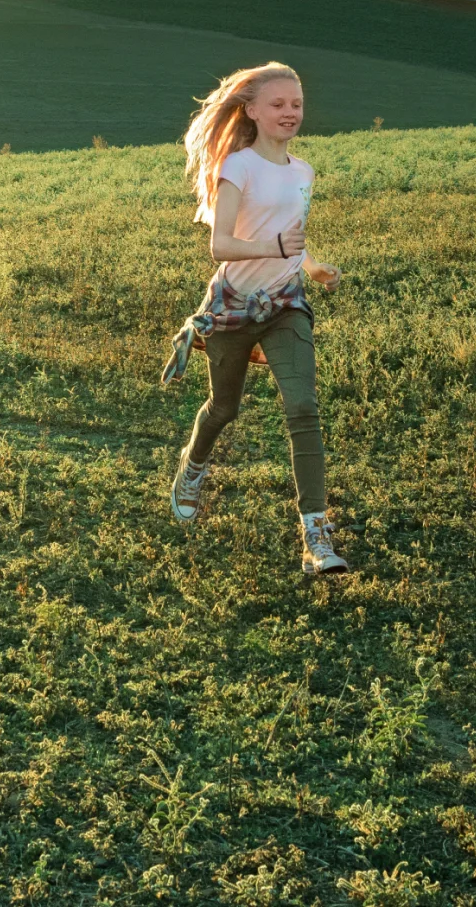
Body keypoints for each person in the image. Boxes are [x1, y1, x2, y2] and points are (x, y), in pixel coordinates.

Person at [159, 62, 348, 575]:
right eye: (279, 104)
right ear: (251, 111)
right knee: (224, 408)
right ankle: (192, 466)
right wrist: (278, 246)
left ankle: (316, 536)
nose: (291, 113)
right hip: (233, 309)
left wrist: (312, 265)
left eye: (297, 104)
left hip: (285, 304)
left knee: (304, 409)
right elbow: (222, 245)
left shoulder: (304, 171)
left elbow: (289, 237)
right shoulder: (237, 167)